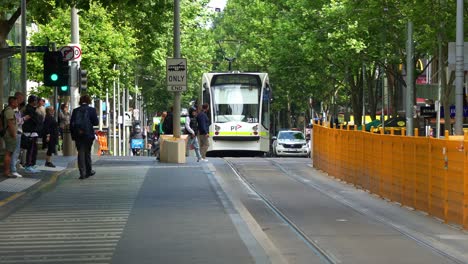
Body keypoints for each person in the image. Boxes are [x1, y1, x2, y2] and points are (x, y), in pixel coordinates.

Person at [70, 95, 99, 179]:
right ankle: (89, 171)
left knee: (80, 152)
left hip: (78, 135)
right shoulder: (92, 110)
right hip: (88, 134)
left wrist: (74, 135)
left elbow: (72, 124)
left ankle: (82, 172)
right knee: (87, 152)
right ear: (89, 101)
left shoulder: (75, 111)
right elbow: (96, 122)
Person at [11, 92, 29, 177]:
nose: (22, 99)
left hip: (17, 132)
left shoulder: (17, 109)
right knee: (15, 151)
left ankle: (13, 168)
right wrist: (25, 118)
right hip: (16, 132)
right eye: (21, 98)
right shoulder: (15, 109)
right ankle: (13, 169)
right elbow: (18, 121)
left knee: (16, 151)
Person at [22, 95, 42, 173]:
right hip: (30, 132)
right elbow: (35, 120)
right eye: (36, 100)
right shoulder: (29, 109)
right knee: (31, 149)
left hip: (32, 132)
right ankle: (28, 165)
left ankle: (31, 164)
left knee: (33, 150)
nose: (37, 102)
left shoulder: (31, 109)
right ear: (33, 101)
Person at [2, 96, 19, 177]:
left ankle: (7, 171)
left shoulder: (8, 110)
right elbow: (10, 124)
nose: (17, 103)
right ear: (12, 102)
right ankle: (7, 172)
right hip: (9, 135)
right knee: (9, 153)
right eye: (16, 102)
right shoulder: (9, 111)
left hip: (9, 134)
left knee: (9, 153)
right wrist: (13, 134)